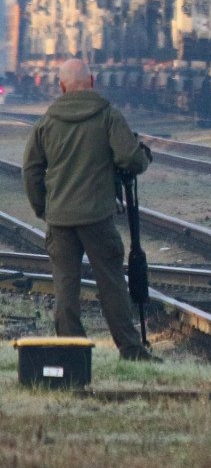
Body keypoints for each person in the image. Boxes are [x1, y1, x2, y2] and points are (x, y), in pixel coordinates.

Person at [21, 58, 157, 360]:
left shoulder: (46, 122)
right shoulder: (107, 115)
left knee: (65, 288)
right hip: (98, 217)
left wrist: (43, 208)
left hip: (60, 220)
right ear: (92, 82)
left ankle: (72, 353)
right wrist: (143, 158)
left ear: (61, 87)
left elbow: (30, 171)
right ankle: (131, 349)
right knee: (111, 285)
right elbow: (130, 159)